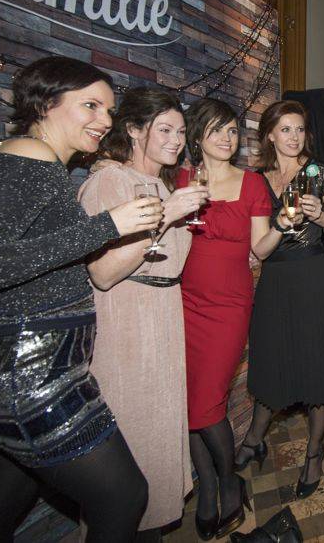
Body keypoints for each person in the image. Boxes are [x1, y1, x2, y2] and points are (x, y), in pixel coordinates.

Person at [0, 56, 165, 542]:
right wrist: (108, 226)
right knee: (124, 496)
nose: (105, 120)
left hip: (15, 371)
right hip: (31, 375)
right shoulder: (28, 156)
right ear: (45, 103)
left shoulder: (43, 166)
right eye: (90, 105)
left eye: (109, 109)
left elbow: (19, 260)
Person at [77, 88, 209, 539]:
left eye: (180, 131)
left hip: (163, 320)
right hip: (128, 325)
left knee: (156, 446)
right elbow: (104, 273)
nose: (176, 139)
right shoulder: (109, 181)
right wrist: (166, 216)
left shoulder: (165, 185)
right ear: (133, 130)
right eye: (164, 129)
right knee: (132, 447)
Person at [178, 98, 287, 539]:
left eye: (232, 130)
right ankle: (208, 488)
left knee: (207, 405)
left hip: (228, 306)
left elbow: (259, 249)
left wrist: (286, 222)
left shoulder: (253, 185)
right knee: (188, 404)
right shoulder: (180, 179)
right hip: (181, 302)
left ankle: (227, 479)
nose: (227, 138)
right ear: (198, 135)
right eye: (217, 130)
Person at [234, 100, 324, 500]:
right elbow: (258, 244)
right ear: (269, 133)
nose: (293, 137)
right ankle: (254, 438)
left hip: (314, 277)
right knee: (272, 359)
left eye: (299, 129)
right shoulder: (256, 179)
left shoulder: (317, 172)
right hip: (276, 281)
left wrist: (320, 214)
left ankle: (314, 452)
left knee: (316, 364)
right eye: (285, 129)